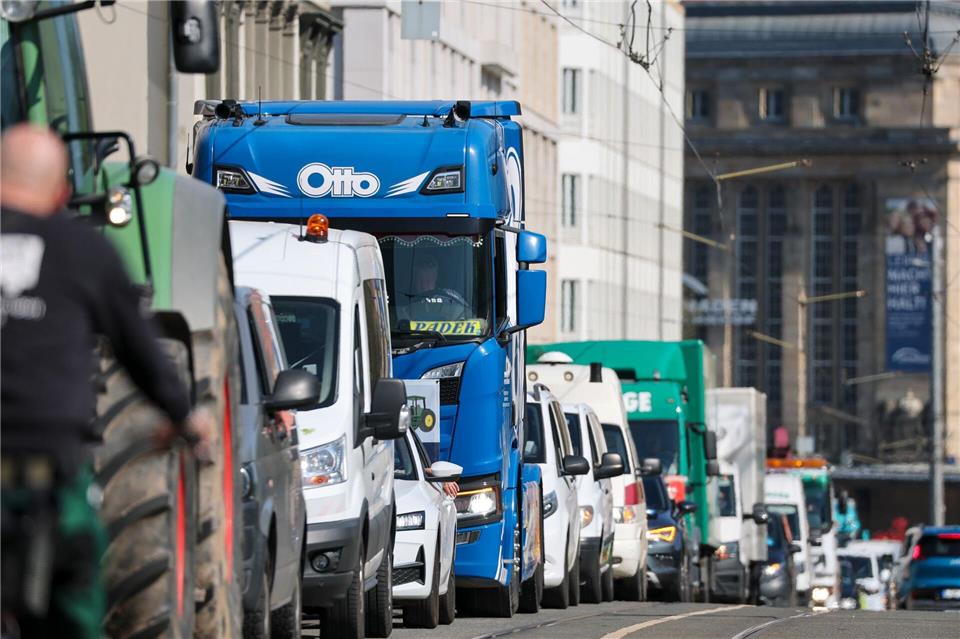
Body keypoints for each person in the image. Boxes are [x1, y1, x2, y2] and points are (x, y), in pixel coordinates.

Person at [0, 124, 210, 638]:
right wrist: (184, 415)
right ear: (62, 192)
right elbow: (140, 349)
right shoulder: (84, 251)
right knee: (74, 605)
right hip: (52, 476)